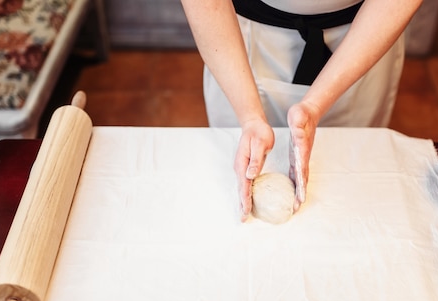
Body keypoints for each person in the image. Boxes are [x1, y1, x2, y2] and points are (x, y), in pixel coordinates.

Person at [180, 0, 423, 221]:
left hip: (366, 35)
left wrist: (315, 105)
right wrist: (250, 116)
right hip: (236, 41)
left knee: (352, 187)